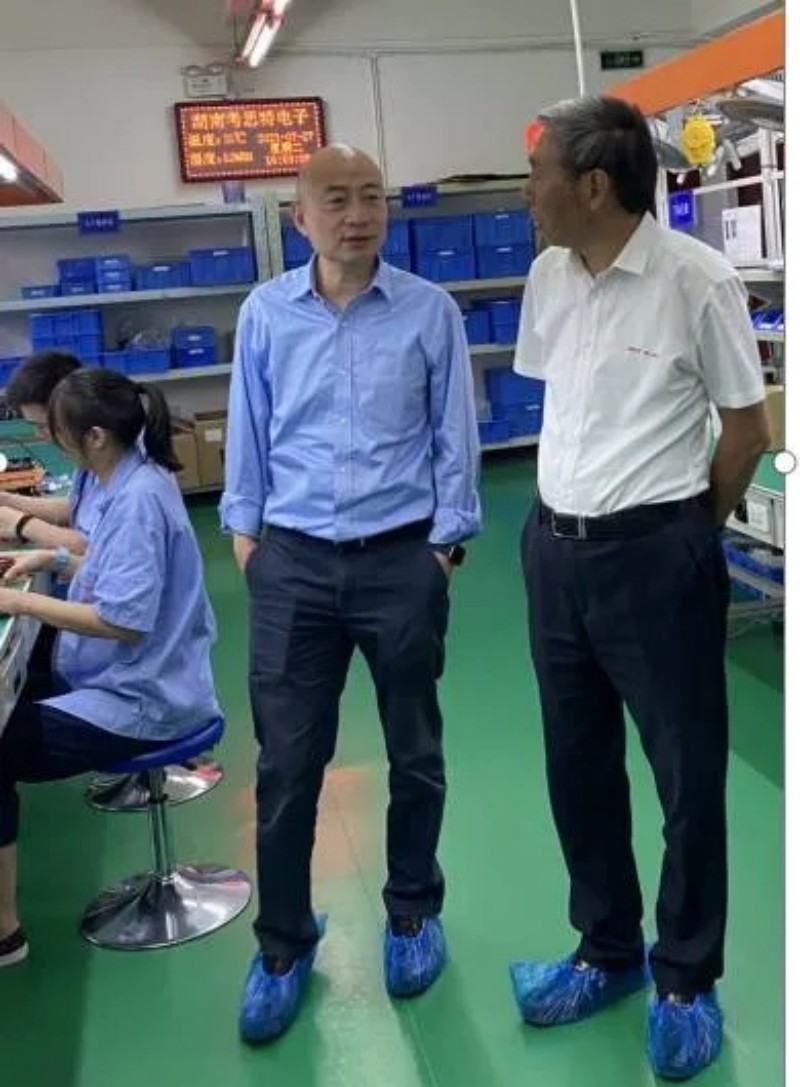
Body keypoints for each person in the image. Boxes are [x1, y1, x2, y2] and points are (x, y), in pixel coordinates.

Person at [508, 96, 770, 1081]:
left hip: (655, 555)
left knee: (683, 777)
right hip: (553, 551)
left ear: (591, 186)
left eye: (537, 175)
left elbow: (744, 429)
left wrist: (684, 533)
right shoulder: (548, 276)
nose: (526, 193)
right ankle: (606, 949)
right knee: (575, 766)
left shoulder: (695, 280)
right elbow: (568, 404)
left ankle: (686, 976)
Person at [221, 143, 481, 1043]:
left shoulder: (429, 310)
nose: (358, 214)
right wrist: (247, 539)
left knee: (415, 749)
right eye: (336, 199)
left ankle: (411, 911)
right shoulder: (265, 312)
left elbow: (455, 430)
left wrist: (445, 545)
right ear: (300, 217)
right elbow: (249, 428)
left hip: (401, 558)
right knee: (287, 765)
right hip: (291, 562)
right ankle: (283, 943)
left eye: (371, 196)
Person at [0, 368, 220, 967]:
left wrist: (19, 603)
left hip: (146, 699)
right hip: (132, 677)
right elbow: (112, 570)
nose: (51, 443)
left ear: (95, 436)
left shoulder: (138, 499)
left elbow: (123, 621)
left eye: (56, 433)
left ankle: (4, 932)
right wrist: (50, 558)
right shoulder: (129, 477)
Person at [0, 351, 99, 552]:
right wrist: (5, 500)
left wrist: (23, 525)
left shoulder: (133, 483)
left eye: (43, 426)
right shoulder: (91, 458)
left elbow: (103, 550)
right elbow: (77, 508)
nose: (40, 435)